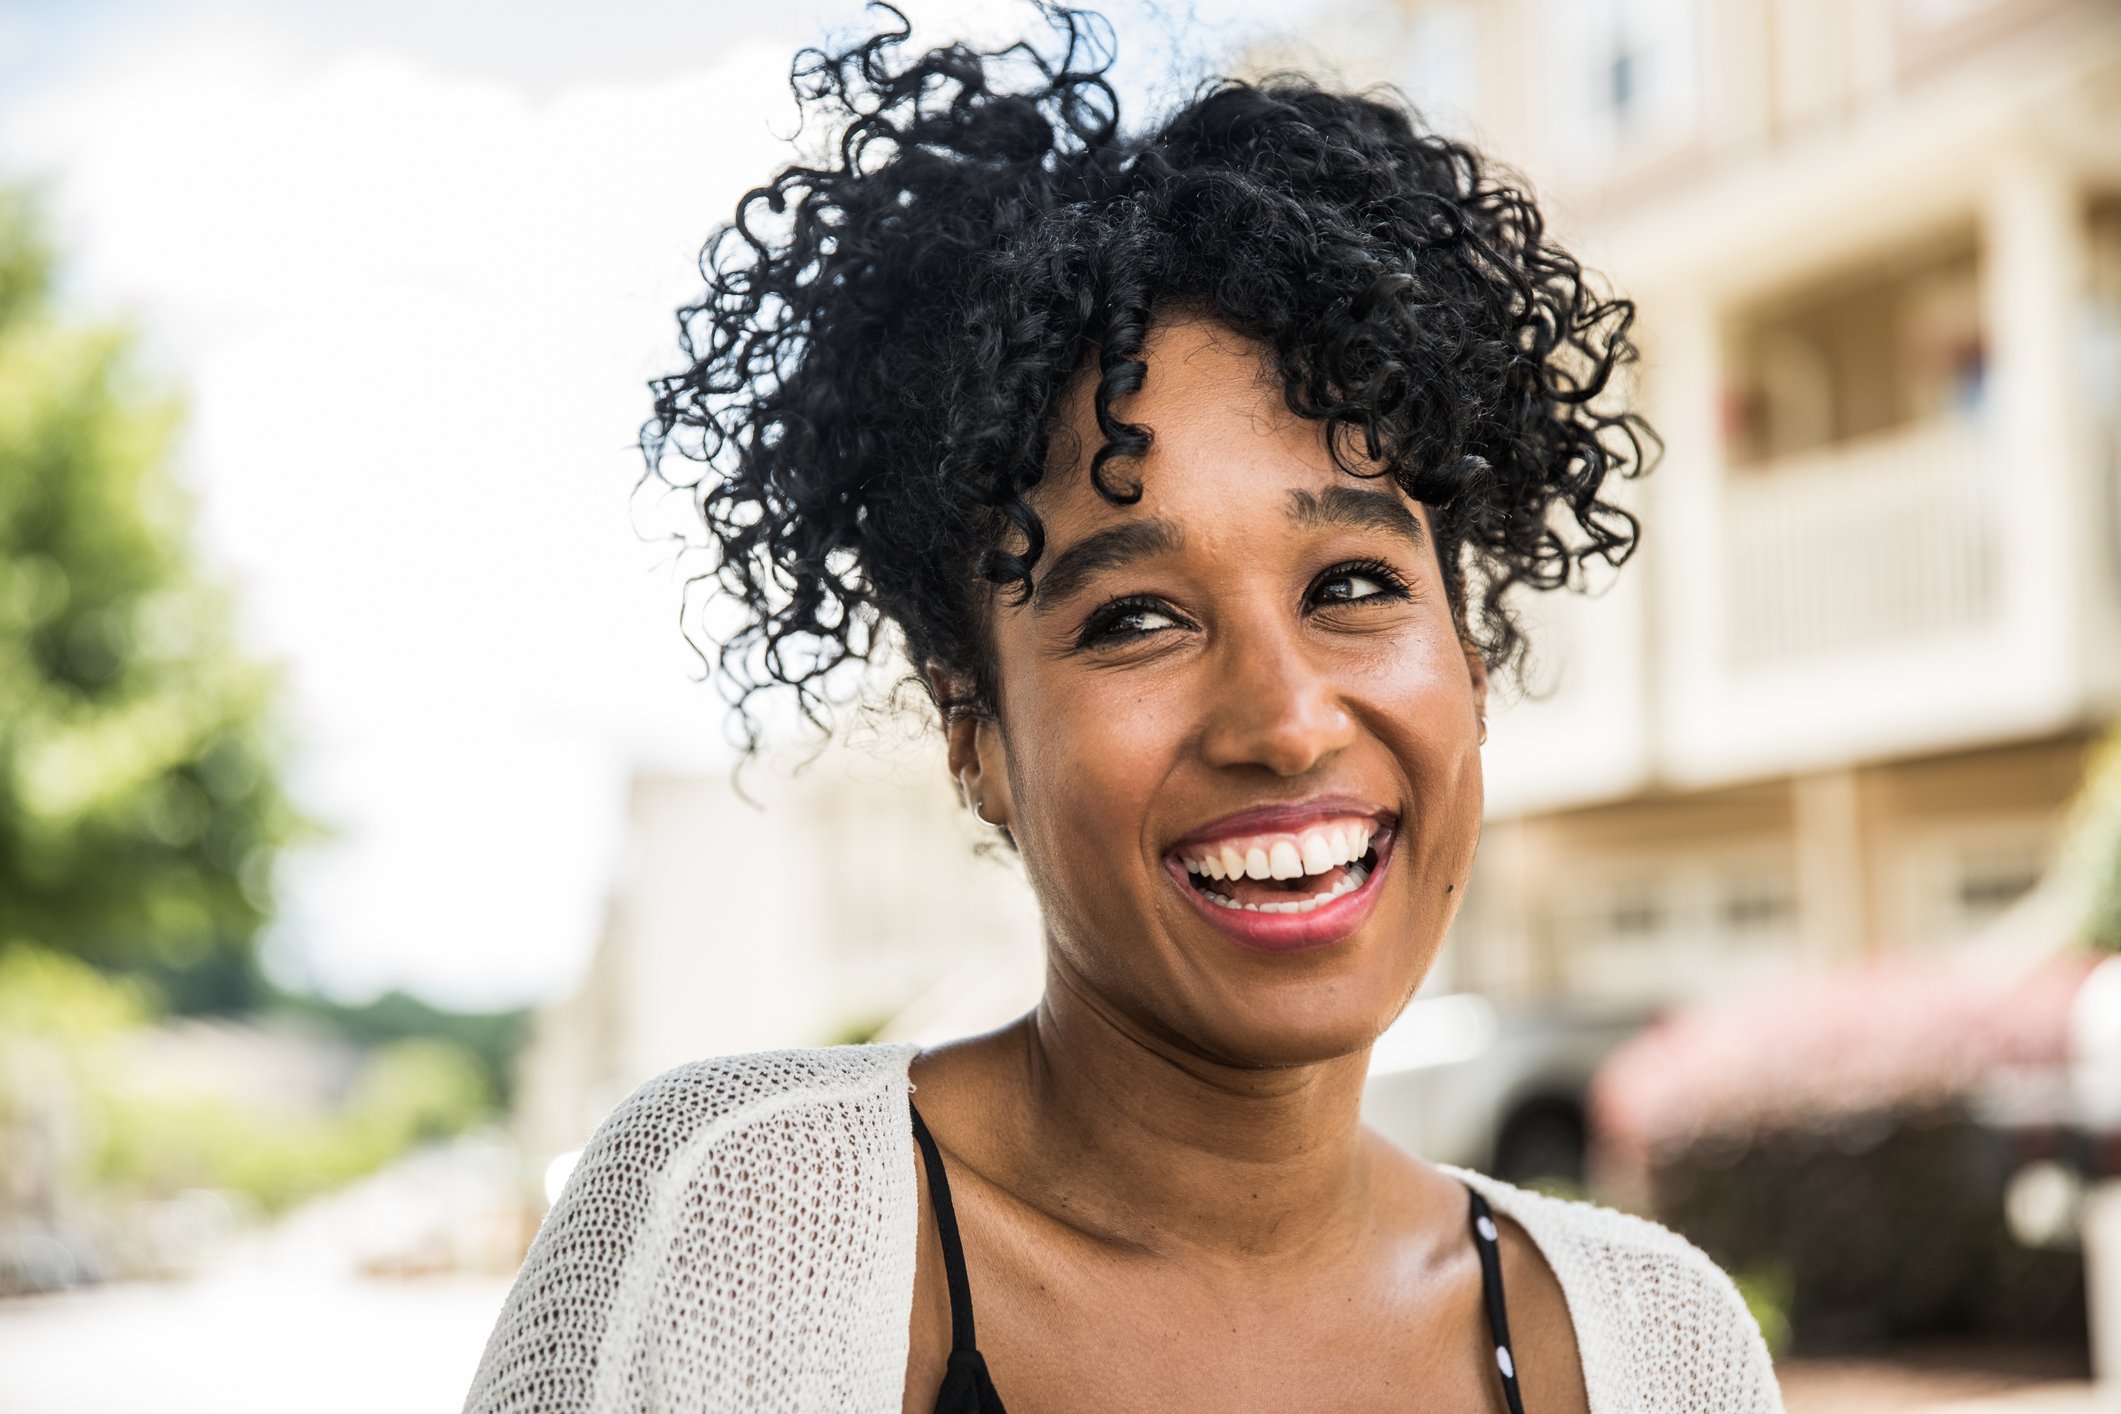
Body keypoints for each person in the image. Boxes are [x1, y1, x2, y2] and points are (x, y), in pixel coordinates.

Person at [464, 4, 1786, 1411]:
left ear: (1463, 649)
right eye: (1134, 617)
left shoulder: (1657, 1349)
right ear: (972, 732)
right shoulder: (746, 1238)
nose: (1282, 720)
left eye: (1349, 581)